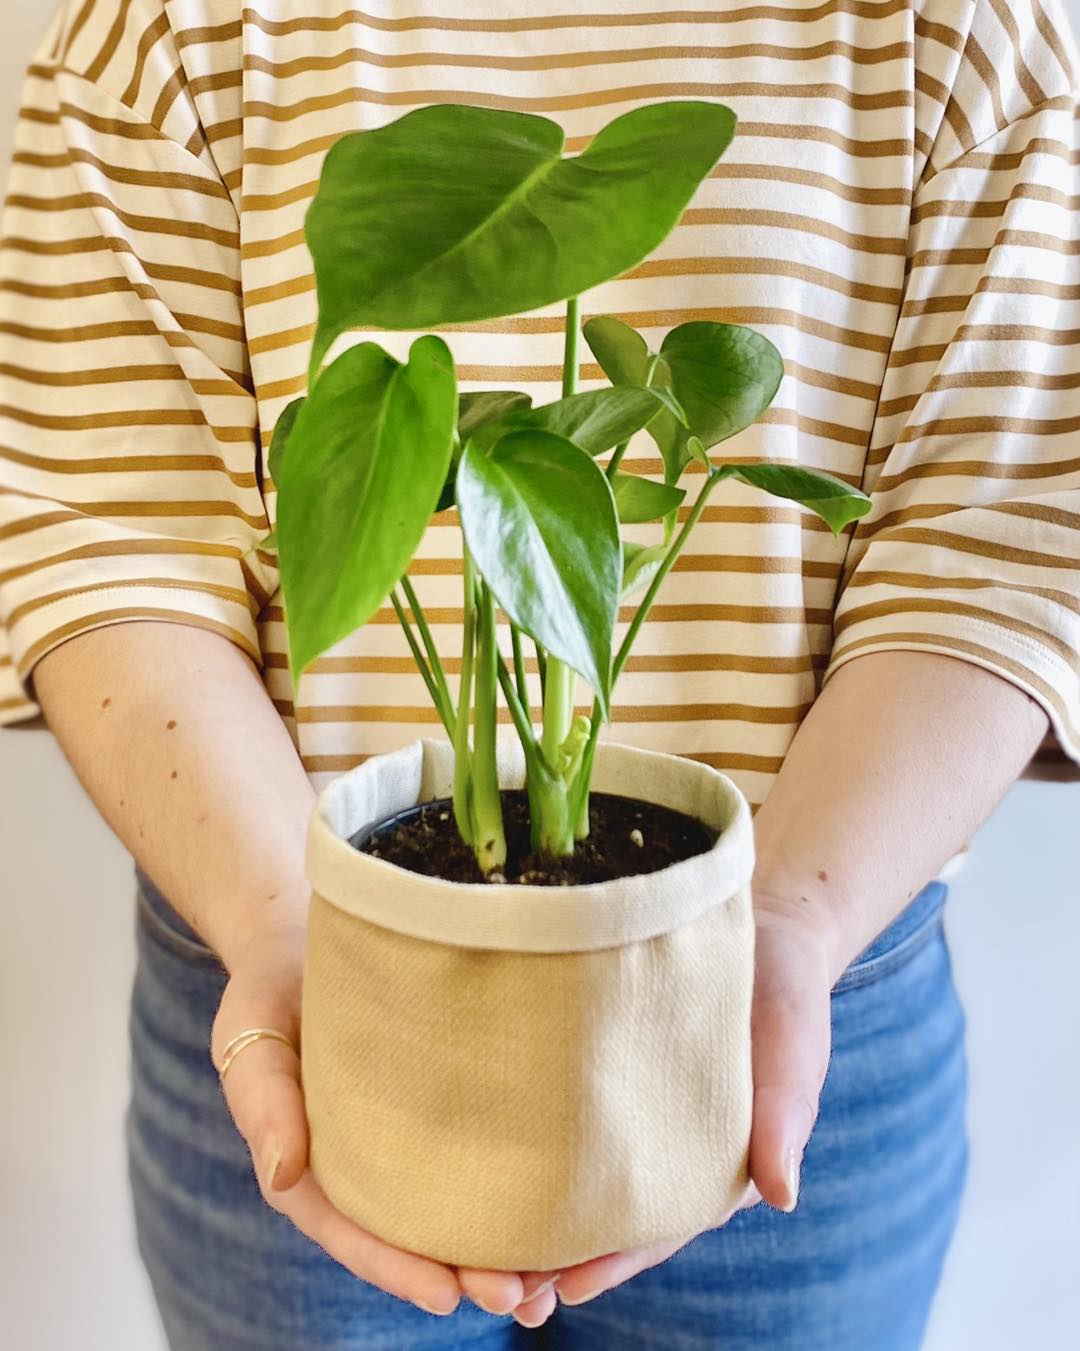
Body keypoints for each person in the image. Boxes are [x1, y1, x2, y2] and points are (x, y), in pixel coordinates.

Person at [1, 1, 1077, 1346]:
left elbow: (1000, 540)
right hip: (303, 979)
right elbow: (108, 539)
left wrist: (791, 928)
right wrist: (282, 928)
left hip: (801, 998)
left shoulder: (961, 31)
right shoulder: (163, 27)